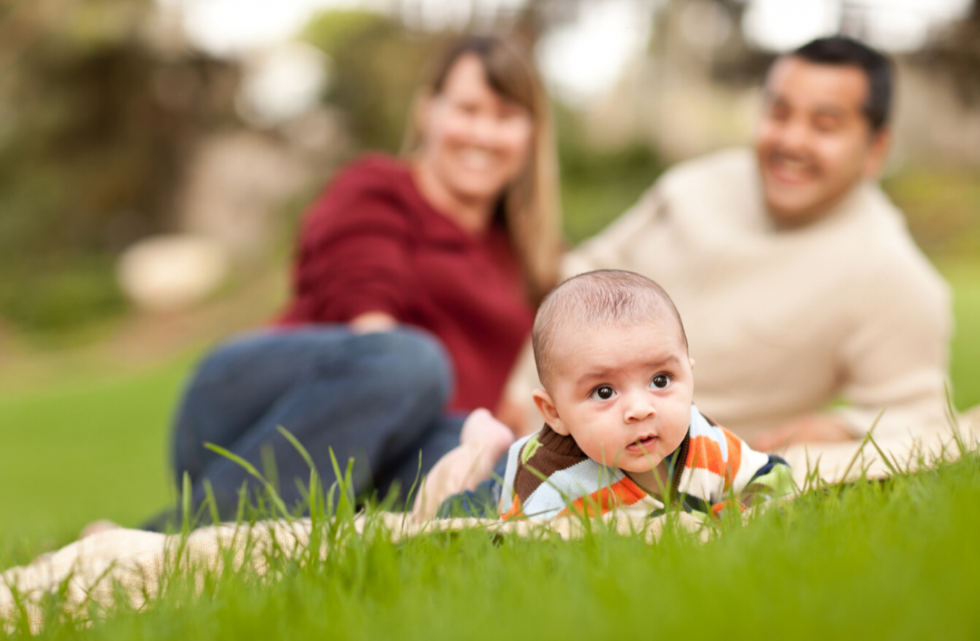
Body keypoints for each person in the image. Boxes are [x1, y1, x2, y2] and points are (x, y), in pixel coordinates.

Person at [150, 34, 562, 528]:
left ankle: (211, 534)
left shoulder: (527, 258)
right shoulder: (378, 188)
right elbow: (373, 332)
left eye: (504, 117)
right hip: (257, 417)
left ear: (531, 133)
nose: (482, 133)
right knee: (412, 360)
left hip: (390, 452)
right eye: (468, 109)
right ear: (427, 111)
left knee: (523, 473)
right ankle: (164, 539)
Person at [504, 36, 953, 457]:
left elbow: (922, 415)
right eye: (779, 114)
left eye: (825, 125)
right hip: (520, 408)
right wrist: (513, 390)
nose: (792, 140)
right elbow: (583, 272)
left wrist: (841, 429)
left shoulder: (888, 271)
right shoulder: (693, 186)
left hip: (648, 465)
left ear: (875, 149)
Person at [414, 271, 794, 521]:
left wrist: (739, 514)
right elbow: (509, 549)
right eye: (605, 391)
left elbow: (772, 476)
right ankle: (481, 451)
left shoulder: (704, 442)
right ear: (554, 412)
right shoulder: (551, 487)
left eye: (661, 380)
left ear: (689, 375)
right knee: (448, 510)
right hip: (508, 482)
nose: (640, 409)